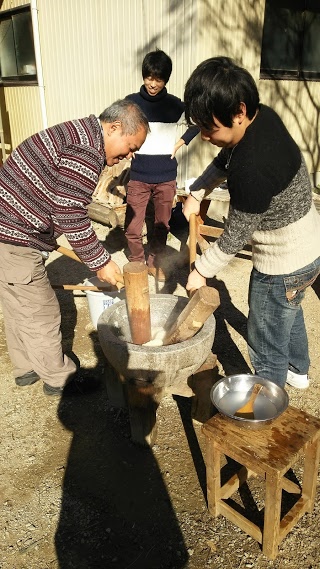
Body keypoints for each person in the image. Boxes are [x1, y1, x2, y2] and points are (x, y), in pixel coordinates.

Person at [182, 56, 320, 389]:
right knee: (290, 307)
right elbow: (223, 158)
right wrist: (198, 191)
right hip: (310, 248)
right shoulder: (263, 117)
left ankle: (266, 410)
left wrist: (201, 271)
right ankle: (298, 371)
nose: (203, 136)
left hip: (282, 262)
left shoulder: (251, 167)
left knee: (266, 339)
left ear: (239, 111)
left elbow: (234, 237)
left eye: (208, 127)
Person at [0, 99, 148, 396]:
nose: (128, 157)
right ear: (114, 127)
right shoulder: (86, 150)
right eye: (130, 147)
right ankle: (59, 379)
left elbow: (55, 200)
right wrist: (100, 262)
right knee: (41, 311)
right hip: (14, 236)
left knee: (19, 304)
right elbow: (68, 212)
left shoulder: (78, 135)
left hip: (8, 229)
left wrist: (45, 232)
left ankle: (26, 367)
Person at [125, 49, 199, 281]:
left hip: (166, 176)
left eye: (158, 79)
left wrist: (179, 143)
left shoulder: (176, 105)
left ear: (166, 79)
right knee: (133, 227)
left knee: (161, 225)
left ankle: (154, 263)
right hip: (138, 176)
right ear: (143, 76)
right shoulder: (131, 103)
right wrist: (127, 147)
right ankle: (137, 262)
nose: (153, 83)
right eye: (149, 77)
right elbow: (113, 122)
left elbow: (197, 122)